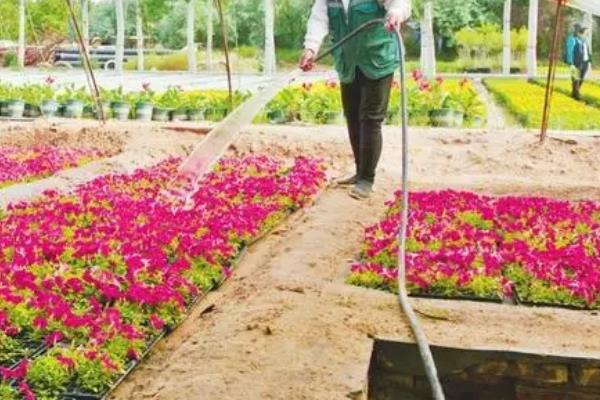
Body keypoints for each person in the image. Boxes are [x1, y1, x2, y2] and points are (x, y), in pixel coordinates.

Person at [300, 0, 411, 199]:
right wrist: (311, 48)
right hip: (348, 63)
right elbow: (318, 20)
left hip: (378, 60)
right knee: (352, 116)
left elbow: (399, 3)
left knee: (370, 119)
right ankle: (360, 171)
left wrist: (395, 13)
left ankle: (367, 180)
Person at [565, 23, 592, 100]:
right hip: (575, 62)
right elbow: (569, 51)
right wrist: (570, 62)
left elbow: (587, 50)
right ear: (576, 30)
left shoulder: (584, 39)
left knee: (581, 78)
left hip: (585, 62)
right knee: (576, 78)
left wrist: (589, 59)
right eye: (581, 30)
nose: (583, 32)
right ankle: (576, 95)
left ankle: (574, 92)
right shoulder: (572, 39)